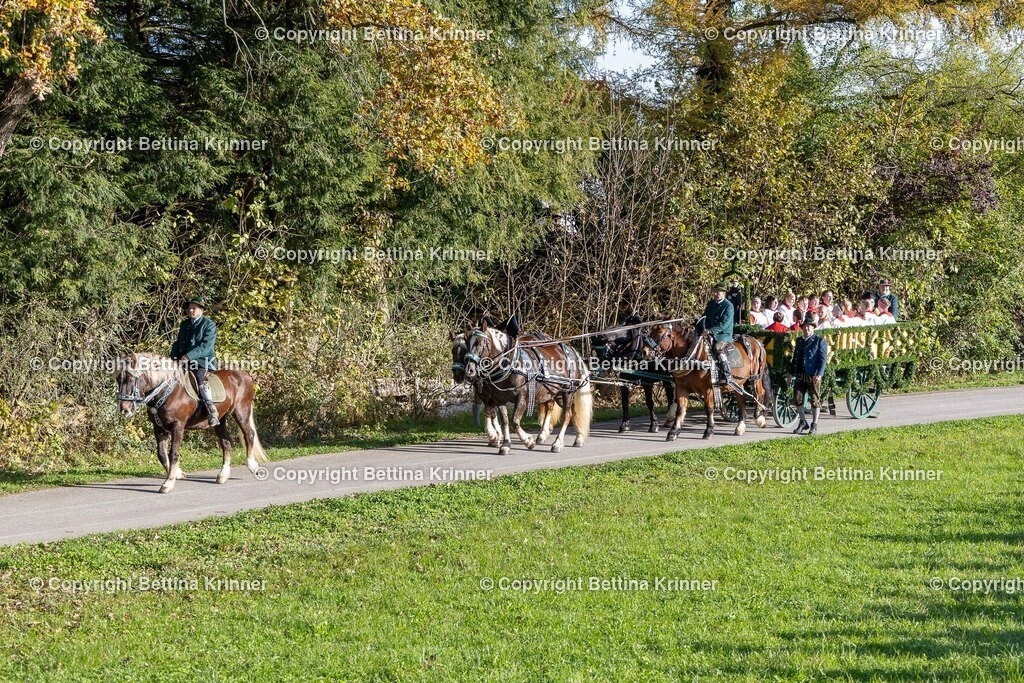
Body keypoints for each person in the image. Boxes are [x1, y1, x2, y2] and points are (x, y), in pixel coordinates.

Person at [170, 296, 220, 427]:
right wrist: (172, 359)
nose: (190, 310)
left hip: (203, 361)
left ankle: (211, 409)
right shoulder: (185, 324)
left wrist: (189, 356)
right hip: (183, 361)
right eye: (189, 308)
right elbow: (178, 344)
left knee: (200, 379)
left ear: (201, 310)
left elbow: (206, 346)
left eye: (194, 308)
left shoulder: (209, 325)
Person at [788, 318, 828, 435]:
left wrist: (819, 374)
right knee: (797, 398)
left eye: (808, 326)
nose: (806, 328)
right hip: (800, 373)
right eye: (804, 326)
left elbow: (822, 360)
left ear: (813, 328)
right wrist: (791, 373)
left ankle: (814, 424)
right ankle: (802, 421)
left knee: (814, 400)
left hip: (813, 375)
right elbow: (795, 358)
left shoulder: (819, 341)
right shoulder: (799, 341)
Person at [702, 281, 735, 385]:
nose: (716, 294)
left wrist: (710, 330)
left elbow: (723, 324)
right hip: (708, 333)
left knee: (717, 348)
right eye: (715, 292)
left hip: (723, 335)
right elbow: (705, 317)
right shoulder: (711, 303)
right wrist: (698, 323)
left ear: (723, 293)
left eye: (718, 292)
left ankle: (726, 373)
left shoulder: (728, 306)